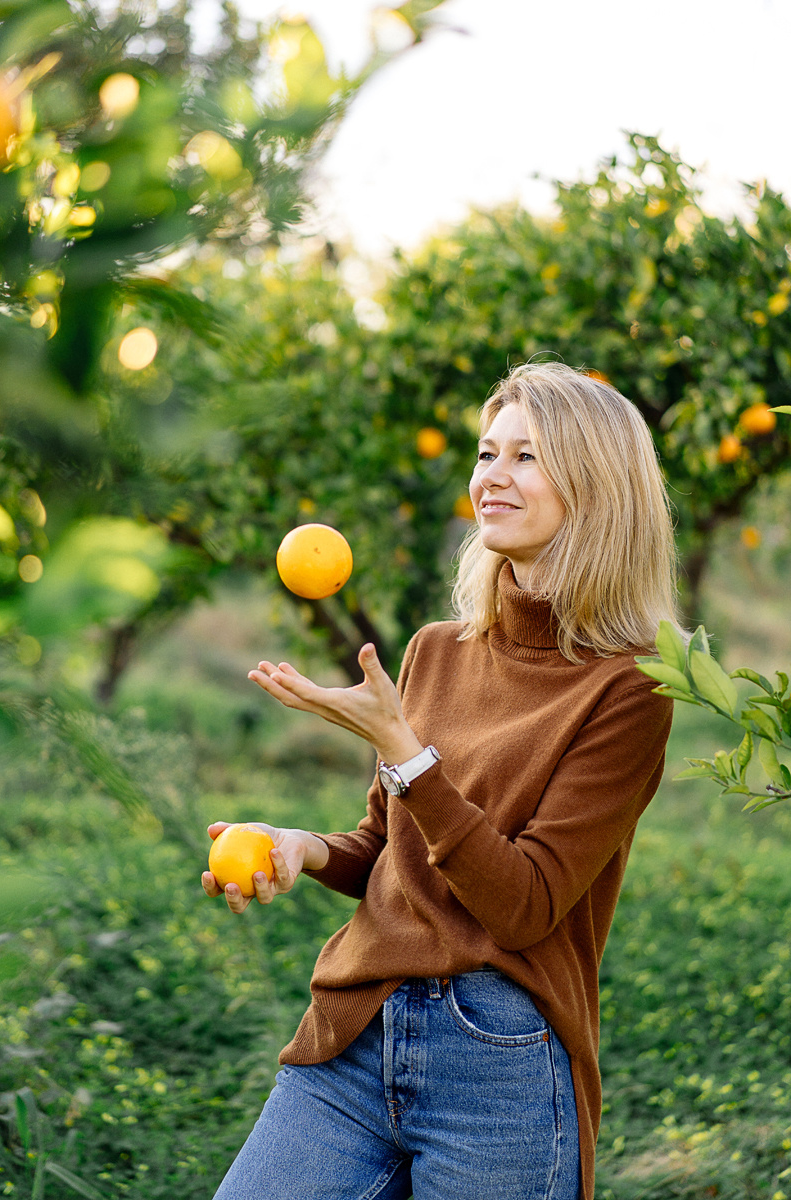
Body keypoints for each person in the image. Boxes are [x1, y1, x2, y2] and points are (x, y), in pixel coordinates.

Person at [202, 361, 682, 1200]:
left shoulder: (629, 688)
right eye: (487, 452)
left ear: (599, 488)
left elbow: (525, 905)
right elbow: (391, 851)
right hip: (354, 1035)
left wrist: (405, 749)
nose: (492, 477)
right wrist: (304, 849)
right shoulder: (435, 650)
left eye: (527, 457)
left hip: (500, 1065)